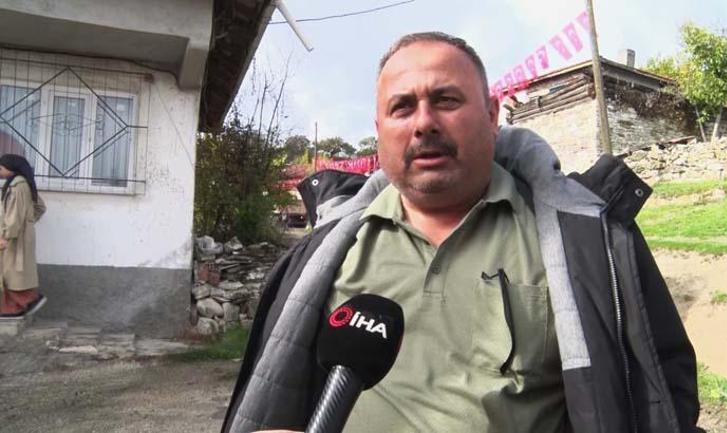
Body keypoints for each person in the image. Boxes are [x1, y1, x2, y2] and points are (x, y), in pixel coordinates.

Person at [222, 32, 702, 433]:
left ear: (492, 116)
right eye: (402, 107)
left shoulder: (589, 242)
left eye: (446, 100)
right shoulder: (325, 250)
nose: (424, 123)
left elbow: (663, 397)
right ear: (379, 129)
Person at [0, 153, 46, 317]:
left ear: (11, 169)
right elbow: (40, 206)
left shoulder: (17, 187)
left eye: (1, 168)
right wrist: (28, 222)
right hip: (19, 234)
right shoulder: (24, 184)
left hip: (14, 237)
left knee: (11, 273)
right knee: (11, 273)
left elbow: (13, 216)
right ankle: (12, 308)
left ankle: (30, 300)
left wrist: (6, 236)